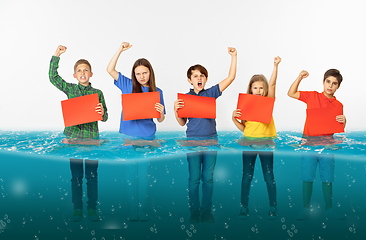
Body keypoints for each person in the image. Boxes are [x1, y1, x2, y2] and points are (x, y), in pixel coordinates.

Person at [174, 47, 237, 223]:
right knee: (194, 178)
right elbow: (182, 123)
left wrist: (234, 56)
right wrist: (175, 109)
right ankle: (194, 211)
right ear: (189, 80)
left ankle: (207, 211)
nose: (199, 78)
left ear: (206, 79)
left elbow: (230, 78)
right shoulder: (185, 98)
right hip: (192, 143)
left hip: (211, 141)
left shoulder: (210, 93)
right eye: (195, 76)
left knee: (208, 178)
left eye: (202, 75)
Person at [107, 42, 165, 221]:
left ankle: (142, 209)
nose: (141, 76)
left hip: (147, 137)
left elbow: (160, 119)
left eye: (144, 73)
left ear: (150, 73)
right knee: (130, 175)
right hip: (128, 136)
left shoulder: (157, 91)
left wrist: (161, 112)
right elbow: (110, 69)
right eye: (138, 73)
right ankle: (134, 211)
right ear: (134, 75)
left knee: (144, 176)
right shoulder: (127, 85)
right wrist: (120, 50)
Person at [49, 45, 108, 222]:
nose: (83, 73)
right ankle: (77, 209)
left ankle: (92, 209)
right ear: (75, 75)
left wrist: (102, 112)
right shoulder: (71, 89)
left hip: (91, 141)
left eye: (86, 70)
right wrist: (56, 56)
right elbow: (53, 77)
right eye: (79, 71)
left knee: (92, 177)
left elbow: (105, 117)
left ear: (91, 74)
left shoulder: (98, 93)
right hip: (73, 140)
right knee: (76, 178)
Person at [287, 69, 346, 220]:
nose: (330, 86)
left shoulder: (338, 105)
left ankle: (329, 209)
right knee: (307, 178)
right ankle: (305, 209)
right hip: (309, 144)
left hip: (327, 146)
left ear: (338, 86)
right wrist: (299, 77)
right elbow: (291, 93)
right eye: (328, 81)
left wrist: (344, 122)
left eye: (334, 83)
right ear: (323, 81)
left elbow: (338, 128)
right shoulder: (312, 96)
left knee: (327, 179)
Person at [232, 56, 281, 220]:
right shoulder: (246, 106)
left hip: (266, 145)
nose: (258, 90)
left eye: (261, 88)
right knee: (246, 176)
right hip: (249, 145)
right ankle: (243, 207)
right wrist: (234, 119)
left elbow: (273, 83)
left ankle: (273, 207)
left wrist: (275, 66)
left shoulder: (268, 102)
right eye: (255, 88)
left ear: (265, 90)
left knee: (269, 177)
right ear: (250, 89)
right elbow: (245, 128)